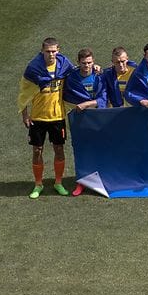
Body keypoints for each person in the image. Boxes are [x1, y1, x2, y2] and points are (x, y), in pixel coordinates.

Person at [17, 37, 74, 199]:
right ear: (42, 51)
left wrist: (96, 69)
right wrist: (25, 114)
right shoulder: (33, 69)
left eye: (54, 51)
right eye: (48, 51)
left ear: (59, 50)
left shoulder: (64, 66)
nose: (51, 54)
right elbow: (24, 92)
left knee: (59, 149)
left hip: (57, 116)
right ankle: (38, 184)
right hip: (38, 118)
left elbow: (77, 76)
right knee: (37, 150)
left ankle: (58, 182)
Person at [62, 48, 107, 196]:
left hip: (98, 119)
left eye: (89, 62)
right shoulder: (72, 78)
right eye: (83, 63)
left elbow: (103, 99)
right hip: (80, 120)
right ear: (78, 63)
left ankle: (103, 177)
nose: (87, 66)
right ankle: (81, 182)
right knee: (81, 150)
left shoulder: (99, 76)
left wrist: (87, 104)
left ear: (93, 62)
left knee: (100, 148)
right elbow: (66, 96)